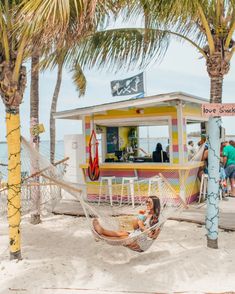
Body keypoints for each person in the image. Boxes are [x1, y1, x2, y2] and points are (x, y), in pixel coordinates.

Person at [92, 196, 161, 252]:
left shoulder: (156, 219)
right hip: (136, 235)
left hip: (141, 242)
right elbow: (136, 228)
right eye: (146, 201)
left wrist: (141, 226)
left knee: (122, 238)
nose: (147, 204)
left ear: (155, 204)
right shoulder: (147, 214)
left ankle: (101, 237)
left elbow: (152, 236)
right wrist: (139, 218)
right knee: (122, 233)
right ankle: (102, 231)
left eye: (149, 202)